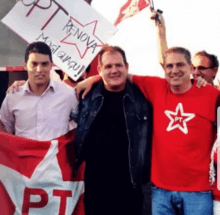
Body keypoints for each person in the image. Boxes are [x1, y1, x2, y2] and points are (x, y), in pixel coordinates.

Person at [76, 46, 220, 214]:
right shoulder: (153, 87)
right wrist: (92, 79)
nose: (174, 70)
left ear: (190, 67)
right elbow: (118, 76)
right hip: (152, 191)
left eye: (180, 65)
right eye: (169, 66)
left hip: (193, 191)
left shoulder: (210, 95)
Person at [74, 45, 153, 215]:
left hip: (131, 188)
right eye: (108, 66)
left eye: (118, 65)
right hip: (95, 187)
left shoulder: (143, 97)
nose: (114, 70)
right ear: (99, 69)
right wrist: (22, 84)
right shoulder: (86, 96)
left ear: (127, 67)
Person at [0, 41, 78, 140]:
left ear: (51, 65)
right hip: (23, 155)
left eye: (44, 64)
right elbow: (4, 130)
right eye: (34, 64)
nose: (39, 69)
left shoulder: (68, 94)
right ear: (25, 66)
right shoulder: (13, 96)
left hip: (56, 155)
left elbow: (84, 123)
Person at [151, 9, 219, 86]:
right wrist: (161, 28)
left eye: (201, 68)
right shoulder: (186, 90)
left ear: (214, 71)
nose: (196, 72)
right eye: (193, 68)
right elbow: (165, 60)